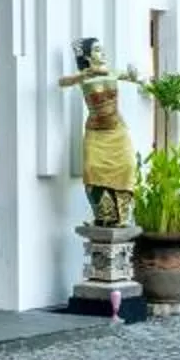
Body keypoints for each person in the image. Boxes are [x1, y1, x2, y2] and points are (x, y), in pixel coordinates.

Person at [56, 38, 141, 226]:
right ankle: (105, 214)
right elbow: (62, 82)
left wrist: (136, 75)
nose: (102, 53)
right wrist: (84, 74)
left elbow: (134, 77)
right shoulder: (84, 76)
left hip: (118, 131)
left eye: (102, 49)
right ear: (87, 56)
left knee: (127, 166)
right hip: (96, 132)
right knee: (92, 169)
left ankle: (122, 215)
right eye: (96, 50)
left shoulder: (112, 72)